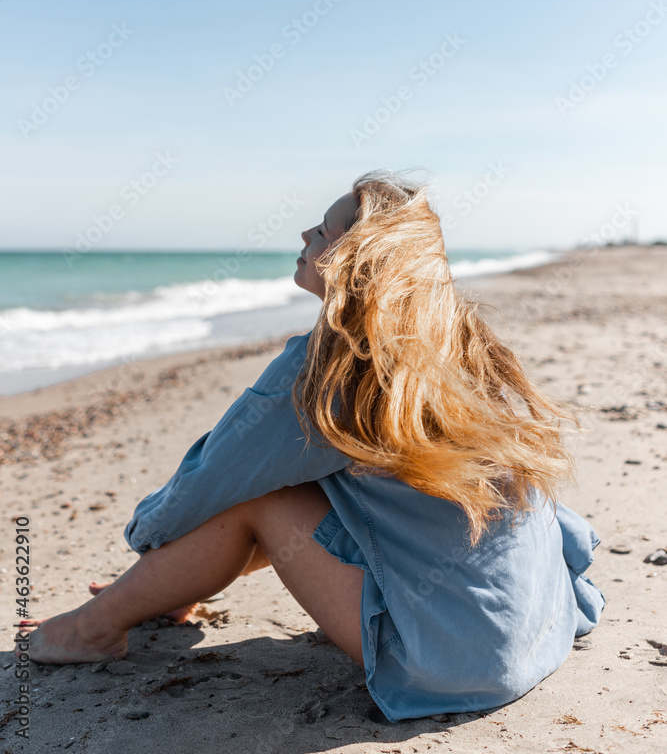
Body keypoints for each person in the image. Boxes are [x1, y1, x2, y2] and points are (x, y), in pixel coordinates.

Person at [19, 172, 605, 723]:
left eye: (324, 231)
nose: (305, 234)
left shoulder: (330, 368)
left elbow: (210, 482)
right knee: (307, 480)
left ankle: (91, 630)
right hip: (533, 625)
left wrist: (148, 547)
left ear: (358, 263)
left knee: (264, 497)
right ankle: (174, 588)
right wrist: (168, 577)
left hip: (451, 661)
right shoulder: (457, 347)